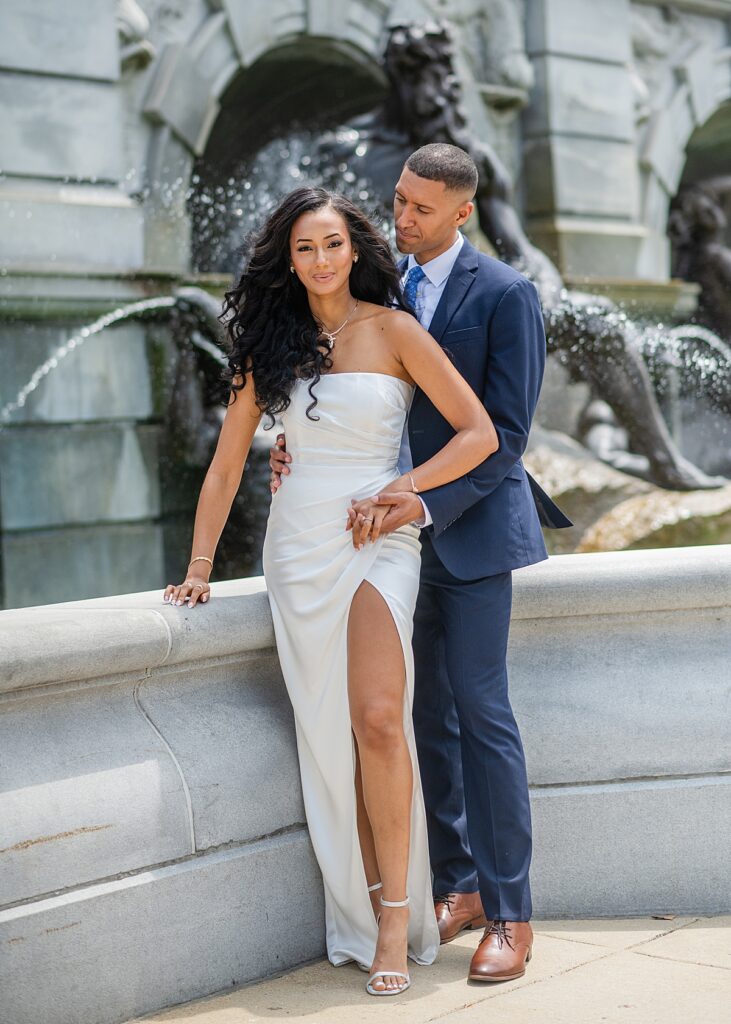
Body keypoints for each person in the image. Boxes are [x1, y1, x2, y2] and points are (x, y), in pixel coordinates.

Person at [163, 185, 498, 996]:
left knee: (380, 720)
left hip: (379, 538)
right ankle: (363, 904)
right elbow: (226, 463)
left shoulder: (395, 330)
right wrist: (200, 567)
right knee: (326, 733)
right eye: (304, 248)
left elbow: (478, 433)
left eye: (332, 245)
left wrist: (401, 490)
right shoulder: (266, 350)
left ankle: (394, 916)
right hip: (298, 546)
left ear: (357, 249)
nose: (319, 261)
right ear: (289, 258)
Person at [271, 143, 565, 983]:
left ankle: (511, 913)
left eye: (421, 209)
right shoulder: (378, 288)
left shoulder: (506, 294)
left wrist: (423, 501)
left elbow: (503, 437)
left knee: (480, 713)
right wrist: (287, 449)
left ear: (462, 212)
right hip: (371, 544)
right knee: (414, 719)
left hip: (464, 534)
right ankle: (459, 884)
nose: (401, 219)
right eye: (398, 201)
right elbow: (339, 391)